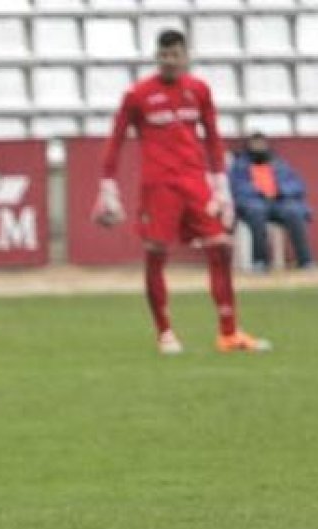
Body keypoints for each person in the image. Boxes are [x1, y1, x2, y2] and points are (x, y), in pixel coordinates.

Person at [92, 29, 271, 355]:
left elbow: (214, 138)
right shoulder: (138, 94)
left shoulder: (199, 91)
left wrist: (221, 186)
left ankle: (229, 333)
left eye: (175, 55)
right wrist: (108, 188)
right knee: (156, 253)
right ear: (157, 57)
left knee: (220, 247)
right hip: (158, 187)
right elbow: (115, 140)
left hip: (194, 184)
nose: (169, 61)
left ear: (186, 56)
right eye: (164, 56)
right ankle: (165, 333)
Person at [229, 132, 315, 271]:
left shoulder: (279, 164)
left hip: (280, 202)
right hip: (253, 202)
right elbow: (237, 188)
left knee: (294, 212)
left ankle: (306, 262)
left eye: (261, 143)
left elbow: (298, 185)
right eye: (255, 144)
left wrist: (281, 191)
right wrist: (258, 192)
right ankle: (260, 261)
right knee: (256, 213)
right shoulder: (240, 166)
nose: (259, 147)